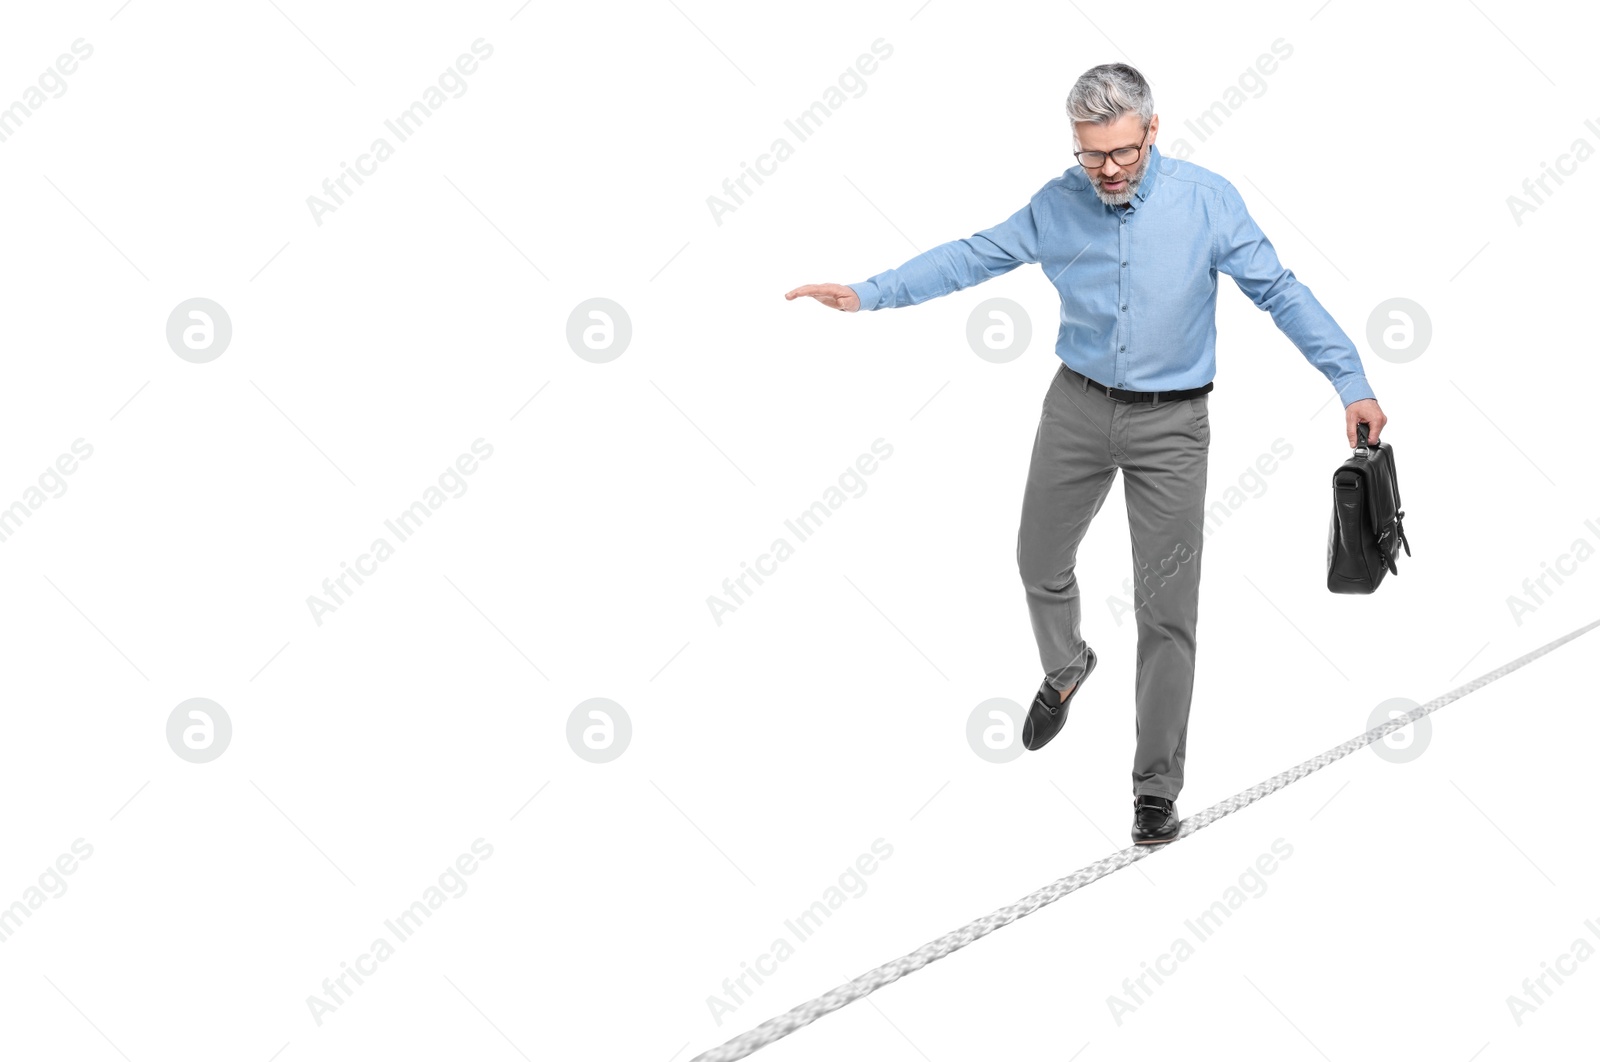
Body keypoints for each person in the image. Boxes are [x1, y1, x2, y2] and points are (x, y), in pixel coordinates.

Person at [785, 62, 1387, 845]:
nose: (1106, 171)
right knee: (1038, 559)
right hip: (1076, 407)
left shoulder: (1207, 202)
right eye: (1090, 153)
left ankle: (1154, 789)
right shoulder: (1058, 203)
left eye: (1122, 154)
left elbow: (1281, 290)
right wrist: (871, 291)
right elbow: (974, 254)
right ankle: (1066, 666)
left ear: (1153, 132)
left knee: (1165, 611)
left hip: (1173, 425)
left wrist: (1351, 382)